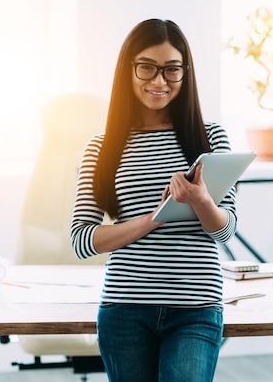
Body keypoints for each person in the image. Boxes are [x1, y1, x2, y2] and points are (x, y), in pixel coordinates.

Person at [70, 19, 237, 382]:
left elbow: (226, 232)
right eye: (146, 67)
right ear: (128, 68)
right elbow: (82, 240)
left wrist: (202, 201)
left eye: (171, 70)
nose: (159, 82)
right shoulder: (101, 148)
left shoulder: (210, 138)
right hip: (125, 310)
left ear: (185, 73)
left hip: (196, 307)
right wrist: (156, 217)